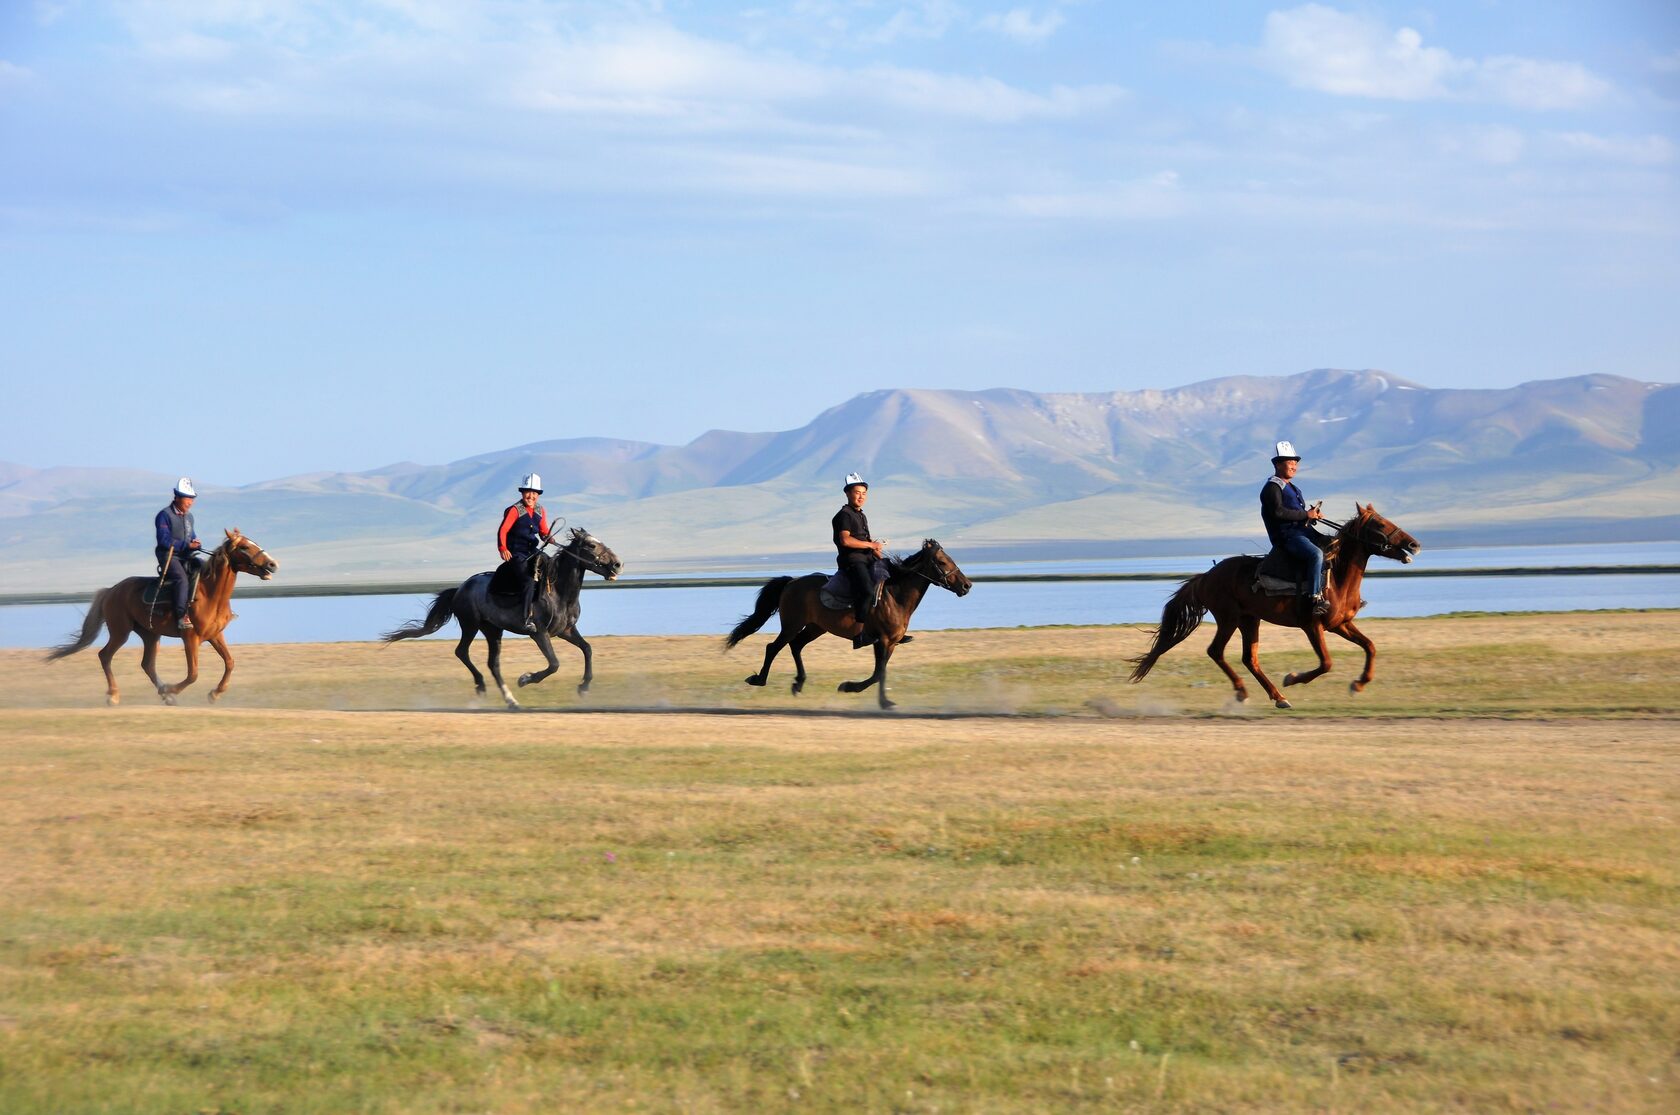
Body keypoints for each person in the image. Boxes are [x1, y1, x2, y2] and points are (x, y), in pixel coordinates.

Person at [1259, 440, 1329, 618]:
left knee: (1334, 545)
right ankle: (1315, 598)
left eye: (1295, 463)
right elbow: (1278, 512)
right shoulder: (1272, 488)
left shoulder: (1294, 488)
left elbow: (1298, 514)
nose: (1294, 467)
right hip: (1287, 537)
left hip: (1303, 532)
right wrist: (1306, 515)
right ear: (1277, 464)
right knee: (1316, 554)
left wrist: (1312, 516)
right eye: (1290, 463)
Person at [833, 472, 885, 646]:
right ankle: (858, 636)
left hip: (868, 559)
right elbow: (845, 540)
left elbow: (868, 542)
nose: (861, 496)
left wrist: (879, 554)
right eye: (857, 492)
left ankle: (891, 628)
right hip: (853, 561)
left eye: (864, 493)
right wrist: (871, 546)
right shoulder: (844, 515)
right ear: (848, 493)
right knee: (868, 592)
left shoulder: (861, 515)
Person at [497, 474, 554, 632]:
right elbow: (503, 530)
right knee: (528, 581)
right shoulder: (515, 510)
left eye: (534, 493)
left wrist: (548, 538)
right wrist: (503, 548)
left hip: (532, 550)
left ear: (538, 495)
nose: (531, 496)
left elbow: (543, 531)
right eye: (528, 492)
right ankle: (525, 618)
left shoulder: (540, 510)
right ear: (522, 493)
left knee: (552, 565)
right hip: (517, 553)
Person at [154, 477, 205, 631]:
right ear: (176, 497)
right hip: (169, 557)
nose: (190, 502)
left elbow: (191, 536)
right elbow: (163, 540)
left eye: (192, 498)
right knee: (181, 579)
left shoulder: (189, 517)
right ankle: (182, 617)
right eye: (187, 498)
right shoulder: (164, 515)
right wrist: (186, 545)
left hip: (186, 556)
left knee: (207, 568)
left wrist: (196, 544)